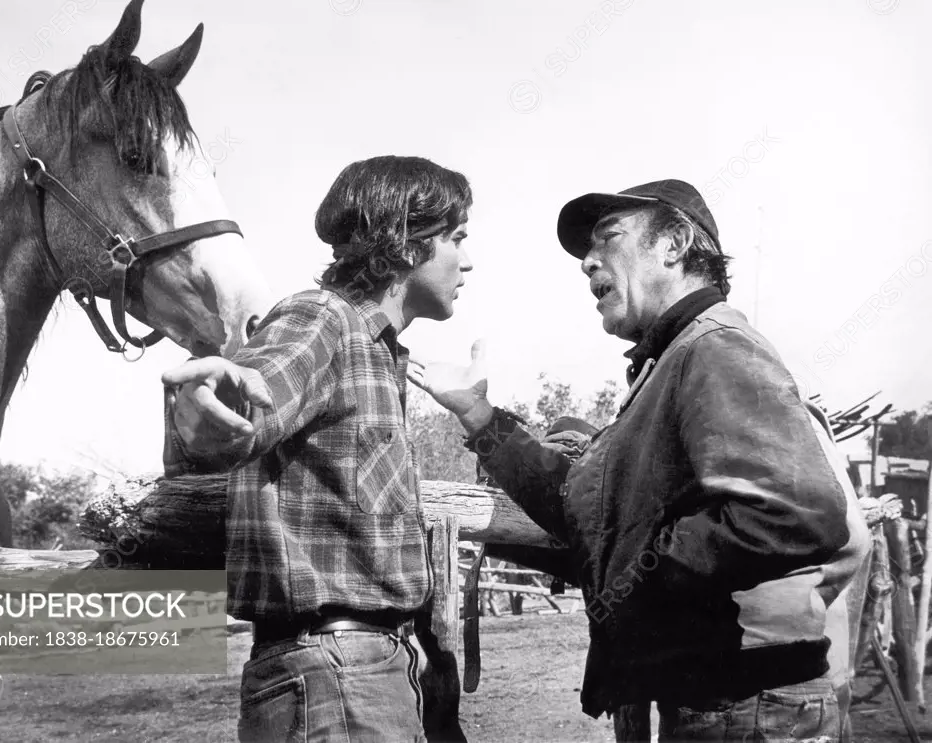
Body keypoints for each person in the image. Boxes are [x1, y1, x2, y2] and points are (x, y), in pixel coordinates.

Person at [408, 179, 870, 741]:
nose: (587, 263)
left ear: (674, 245)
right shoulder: (671, 362)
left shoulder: (715, 347)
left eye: (609, 238)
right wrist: (479, 415)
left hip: (750, 705)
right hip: (731, 703)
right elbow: (585, 510)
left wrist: (639, 572)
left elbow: (793, 512)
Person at [160, 155, 473, 742]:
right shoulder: (321, 318)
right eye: (456, 238)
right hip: (333, 672)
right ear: (407, 245)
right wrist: (206, 410)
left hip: (360, 667)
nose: (469, 259)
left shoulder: (379, 351)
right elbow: (252, 400)